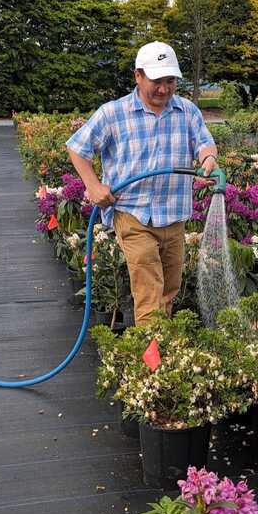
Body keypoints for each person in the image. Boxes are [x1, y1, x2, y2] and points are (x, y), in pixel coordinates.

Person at [65, 41, 218, 326]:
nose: (163, 89)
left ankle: (162, 354)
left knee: (169, 291)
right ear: (138, 76)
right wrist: (94, 187)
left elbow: (205, 144)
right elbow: (77, 148)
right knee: (149, 292)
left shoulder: (187, 111)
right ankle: (152, 364)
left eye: (170, 81)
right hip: (133, 215)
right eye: (156, 81)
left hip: (174, 215)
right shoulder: (113, 113)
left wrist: (208, 159)